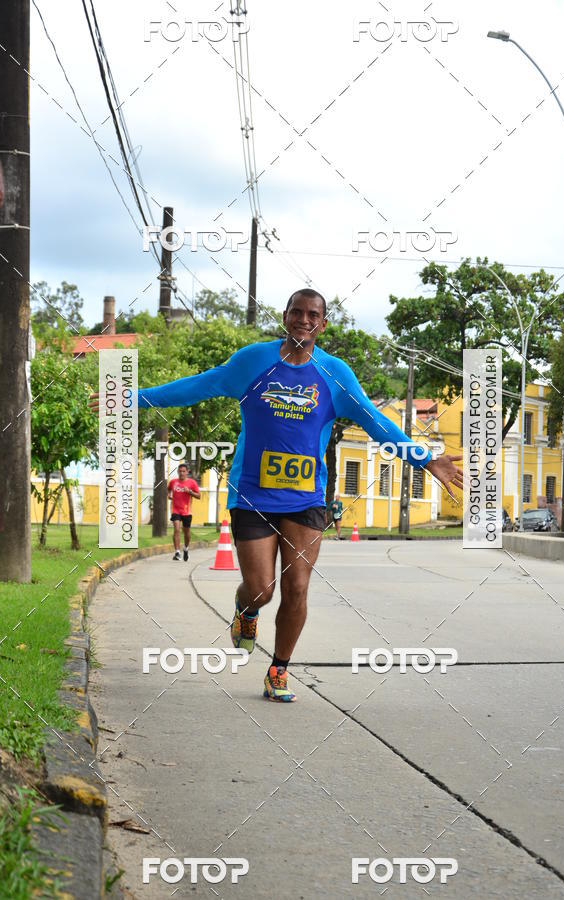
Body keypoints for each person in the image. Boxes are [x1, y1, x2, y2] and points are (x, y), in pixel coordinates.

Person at [134, 289, 463, 703]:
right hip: (252, 495)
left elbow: (376, 421)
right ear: (285, 317)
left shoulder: (335, 374)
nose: (304, 320)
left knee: (298, 588)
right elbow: (199, 386)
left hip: (306, 499)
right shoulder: (253, 361)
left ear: (323, 324)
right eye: (297, 312)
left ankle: (279, 670)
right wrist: (132, 399)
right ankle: (246, 611)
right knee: (261, 589)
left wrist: (424, 458)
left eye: (313, 315)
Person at [168, 463, 201, 561]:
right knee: (177, 529)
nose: (182, 473)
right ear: (178, 472)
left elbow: (199, 496)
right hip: (175, 510)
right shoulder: (173, 482)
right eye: (180, 471)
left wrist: (190, 492)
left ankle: (186, 548)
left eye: (184, 471)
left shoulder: (192, 483)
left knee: (186, 532)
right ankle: (177, 552)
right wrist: (169, 495)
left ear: (187, 472)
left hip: (187, 511)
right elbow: (169, 489)